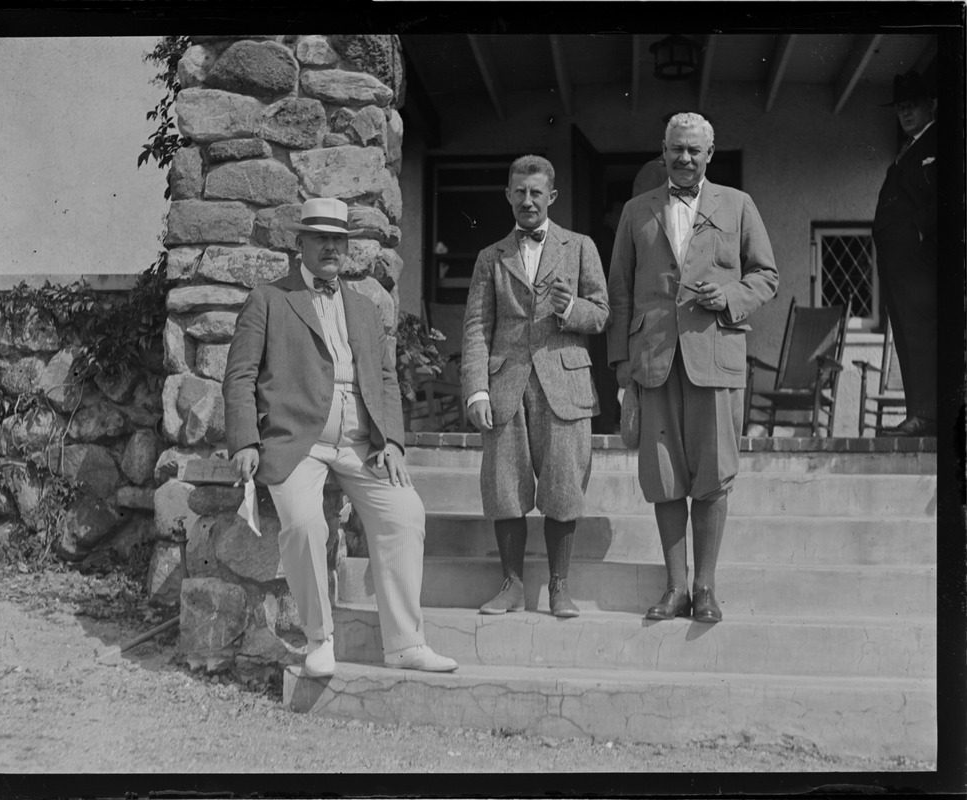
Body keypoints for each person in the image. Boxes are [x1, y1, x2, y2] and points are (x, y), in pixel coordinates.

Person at [222, 197, 457, 676]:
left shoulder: (366, 310)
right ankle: (318, 640)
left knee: (406, 511)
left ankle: (405, 644)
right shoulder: (269, 299)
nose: (331, 247)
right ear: (300, 243)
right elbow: (239, 375)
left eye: (338, 239)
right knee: (306, 523)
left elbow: (387, 380)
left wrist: (391, 441)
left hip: (360, 444)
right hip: (297, 443)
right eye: (320, 238)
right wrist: (245, 440)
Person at [606, 113, 778, 624]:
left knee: (713, 473)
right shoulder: (637, 211)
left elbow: (766, 274)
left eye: (694, 150)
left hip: (714, 356)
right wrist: (621, 367)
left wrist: (727, 295)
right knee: (663, 477)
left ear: (710, 153)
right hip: (653, 360)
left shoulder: (739, 205)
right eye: (676, 149)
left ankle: (705, 588)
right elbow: (619, 289)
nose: (684, 158)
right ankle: (675, 588)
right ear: (663, 152)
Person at [462, 154, 610, 618]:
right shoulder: (491, 257)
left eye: (536, 192)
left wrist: (570, 310)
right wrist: (476, 390)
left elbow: (602, 314)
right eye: (519, 192)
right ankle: (511, 586)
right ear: (508, 195)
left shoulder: (580, 246)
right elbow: (475, 327)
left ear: (552, 197)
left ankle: (559, 588)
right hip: (506, 386)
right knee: (505, 485)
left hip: (564, 385)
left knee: (564, 487)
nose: (528, 200)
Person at [872, 70, 938, 437]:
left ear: (931, 105)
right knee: (906, 335)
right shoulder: (907, 149)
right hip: (897, 264)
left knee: (921, 335)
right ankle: (918, 413)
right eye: (900, 109)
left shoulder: (942, 143)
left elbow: (951, 194)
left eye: (912, 107)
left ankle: (927, 415)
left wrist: (918, 230)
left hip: (919, 261)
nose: (906, 114)